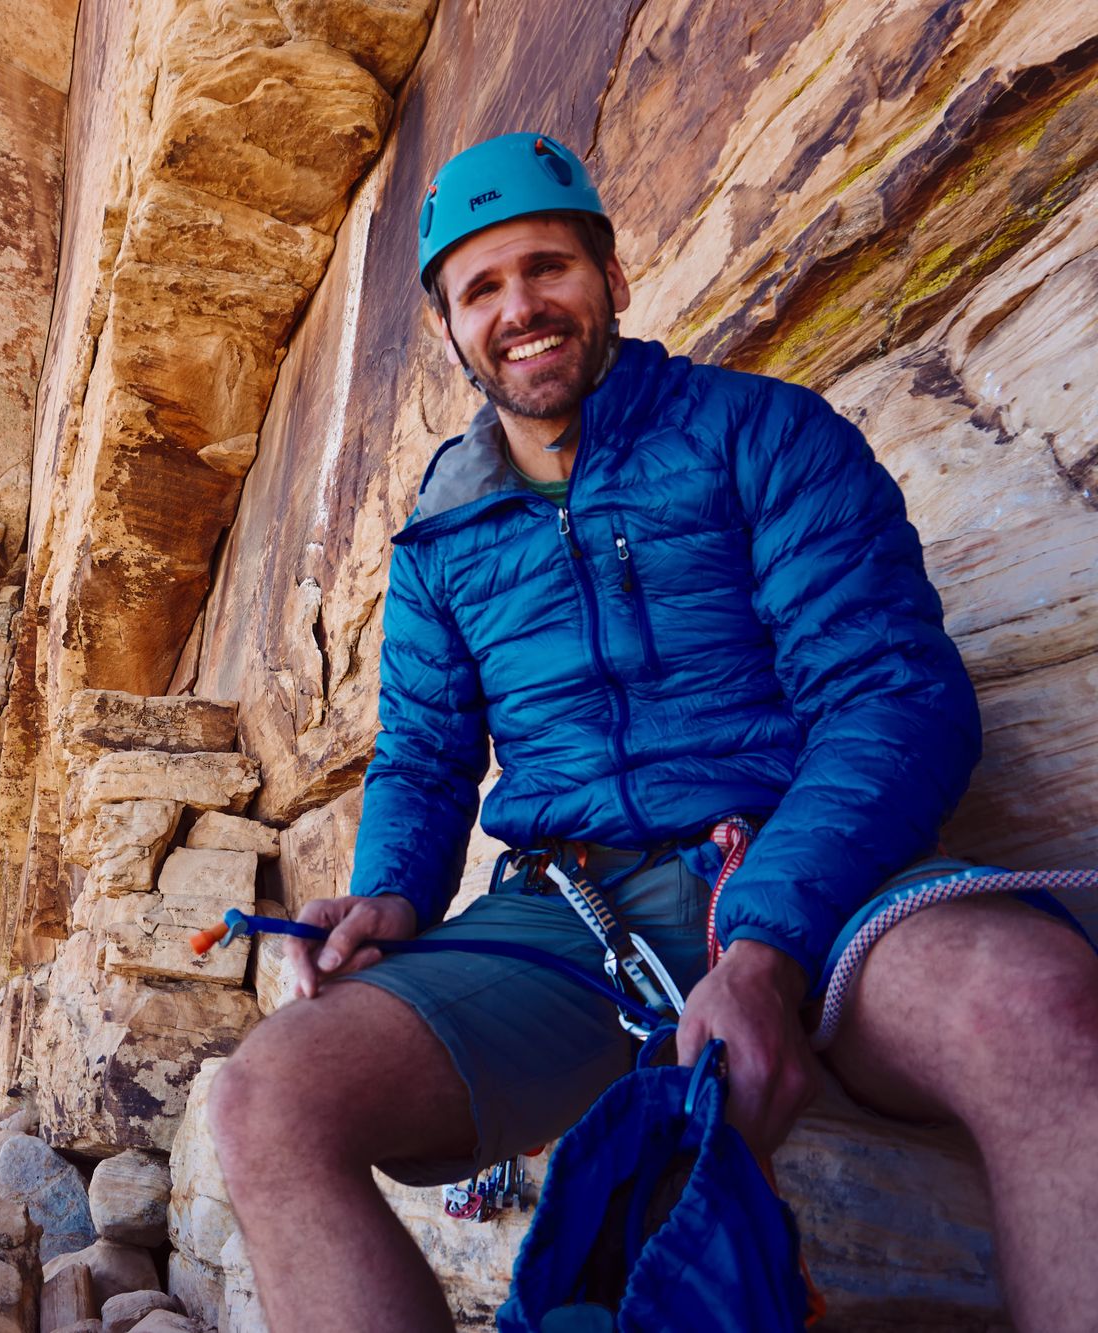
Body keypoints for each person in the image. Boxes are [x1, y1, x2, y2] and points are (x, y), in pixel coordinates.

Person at [207, 133, 1098, 1332]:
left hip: (798, 869)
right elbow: (421, 756)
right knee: (267, 1100)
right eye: (481, 289)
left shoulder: (764, 434)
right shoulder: (437, 542)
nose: (519, 307)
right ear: (451, 328)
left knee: (1030, 1004)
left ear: (610, 278)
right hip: (565, 915)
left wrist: (765, 947)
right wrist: (387, 899)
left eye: (547, 268)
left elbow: (888, 697)